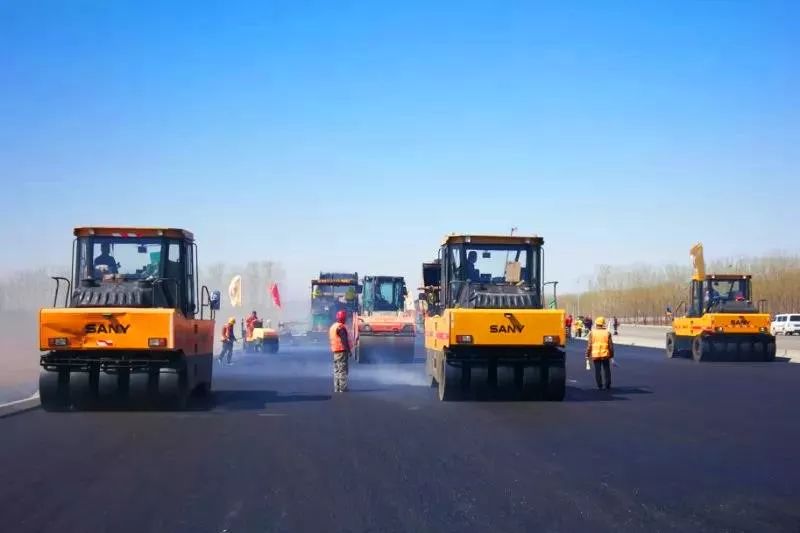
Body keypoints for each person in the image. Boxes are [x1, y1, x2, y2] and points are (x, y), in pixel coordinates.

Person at [586, 316, 614, 390]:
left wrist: (587, 355)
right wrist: (611, 355)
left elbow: (589, 345)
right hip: (605, 354)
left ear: (596, 324)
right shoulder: (607, 333)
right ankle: (607, 385)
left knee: (597, 371)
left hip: (596, 355)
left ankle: (600, 385)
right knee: (607, 370)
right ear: (603, 324)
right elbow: (611, 346)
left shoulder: (592, 333)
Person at [329, 309, 352, 392]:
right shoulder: (341, 328)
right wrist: (349, 350)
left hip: (335, 351)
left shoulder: (333, 327)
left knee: (337, 370)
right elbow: (344, 340)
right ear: (344, 318)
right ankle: (343, 388)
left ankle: (337, 387)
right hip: (341, 351)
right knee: (342, 369)